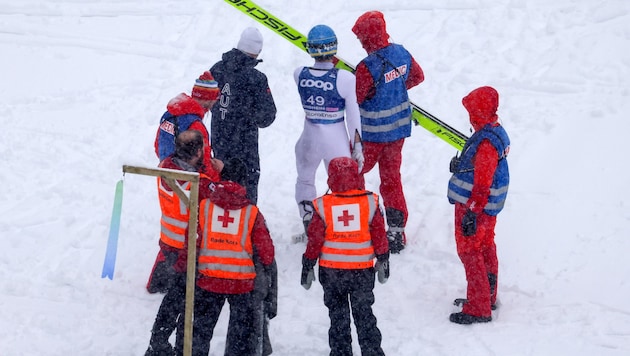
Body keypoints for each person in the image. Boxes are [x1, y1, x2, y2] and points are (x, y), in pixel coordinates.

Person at [352, 11, 425, 254]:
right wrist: (393, 88)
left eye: (362, 40)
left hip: (373, 135)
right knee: (392, 180)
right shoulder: (401, 53)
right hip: (398, 130)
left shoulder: (366, 67)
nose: (361, 44)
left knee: (355, 174)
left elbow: (356, 98)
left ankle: (357, 221)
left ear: (367, 39)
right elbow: (417, 76)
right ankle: (396, 231)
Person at [301, 157, 390, 356]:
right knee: (364, 315)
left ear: (331, 178)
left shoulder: (322, 205)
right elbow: (379, 234)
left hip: (332, 273)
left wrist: (308, 262)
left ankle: (341, 352)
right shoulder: (370, 201)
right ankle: (372, 351)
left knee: (338, 317)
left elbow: (315, 239)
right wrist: (383, 258)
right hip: (362, 272)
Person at [145, 130, 219, 356]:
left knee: (174, 297)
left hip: (168, 243)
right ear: (198, 152)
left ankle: (158, 342)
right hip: (189, 250)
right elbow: (217, 200)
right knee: (187, 302)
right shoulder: (198, 184)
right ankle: (179, 346)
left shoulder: (165, 168)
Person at [148, 71, 222, 294]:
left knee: (170, 224)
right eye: (214, 99)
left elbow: (157, 145)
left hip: (166, 175)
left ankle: (159, 278)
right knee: (190, 230)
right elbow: (204, 159)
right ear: (208, 99)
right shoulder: (196, 126)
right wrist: (215, 181)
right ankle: (185, 282)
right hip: (189, 181)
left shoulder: (169, 115)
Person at [192, 158, 276, 356]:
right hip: (240, 284)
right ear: (244, 182)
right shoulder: (252, 213)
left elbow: (192, 241)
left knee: (201, 333)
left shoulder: (204, 206)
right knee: (240, 337)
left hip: (208, 280)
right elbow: (267, 252)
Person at [293, 24, 364, 242]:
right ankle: (343, 228)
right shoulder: (345, 78)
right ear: (334, 49)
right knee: (343, 183)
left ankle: (309, 225)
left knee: (305, 180)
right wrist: (358, 145)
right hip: (336, 138)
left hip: (309, 137)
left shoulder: (299, 74)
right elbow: (353, 116)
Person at [447, 86, 510, 324]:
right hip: (487, 208)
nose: (469, 117)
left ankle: (478, 307)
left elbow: (483, 182)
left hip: (475, 207)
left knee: (470, 252)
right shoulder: (493, 131)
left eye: (472, 113)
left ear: (479, 113)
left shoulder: (485, 144)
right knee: (485, 248)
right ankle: (487, 295)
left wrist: (472, 212)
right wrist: (461, 165)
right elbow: (481, 169)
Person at [210, 26, 277, 204]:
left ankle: (217, 224)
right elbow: (267, 116)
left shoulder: (216, 69)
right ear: (257, 52)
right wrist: (247, 113)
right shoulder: (256, 79)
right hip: (244, 147)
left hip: (219, 141)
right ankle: (246, 228)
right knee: (246, 189)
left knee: (218, 184)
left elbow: (206, 101)